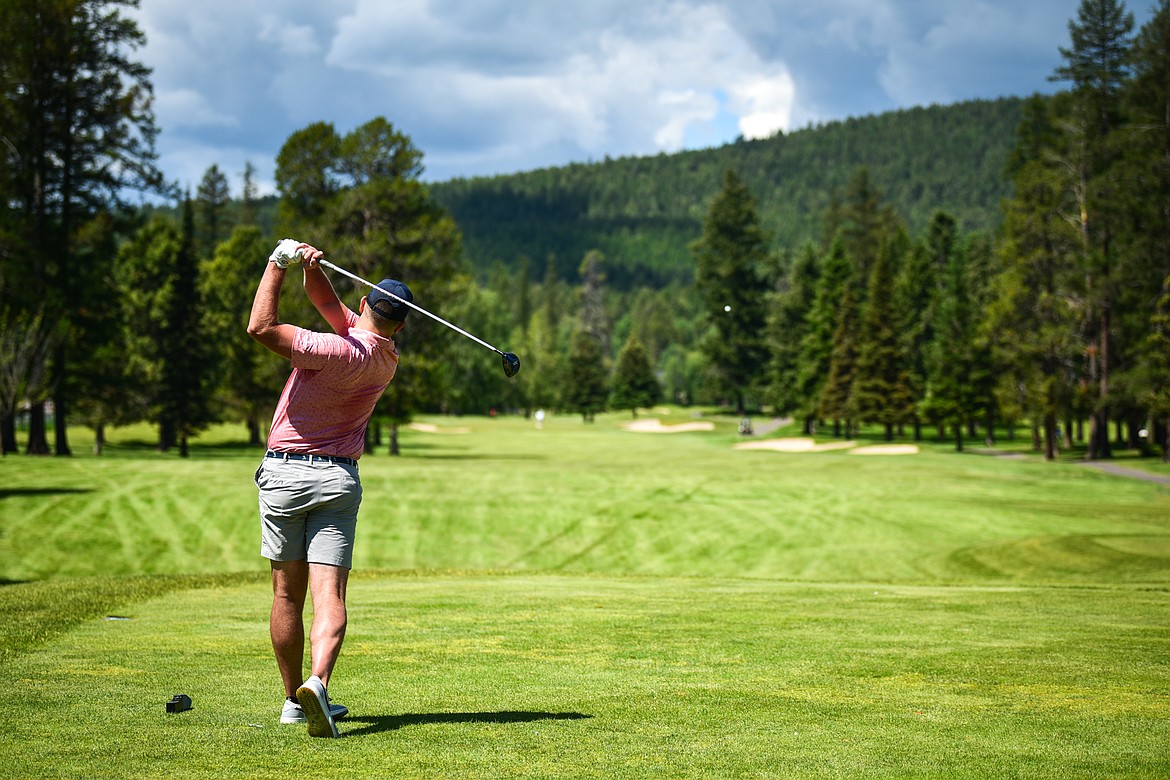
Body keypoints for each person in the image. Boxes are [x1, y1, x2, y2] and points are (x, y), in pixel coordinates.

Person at [247, 239, 412, 738]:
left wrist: (278, 263)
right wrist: (312, 271)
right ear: (399, 324)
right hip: (337, 479)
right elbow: (327, 305)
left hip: (284, 475)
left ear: (363, 304)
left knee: (285, 595)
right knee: (330, 593)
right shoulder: (385, 358)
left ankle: (292, 698)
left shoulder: (331, 349)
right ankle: (318, 684)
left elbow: (261, 328)